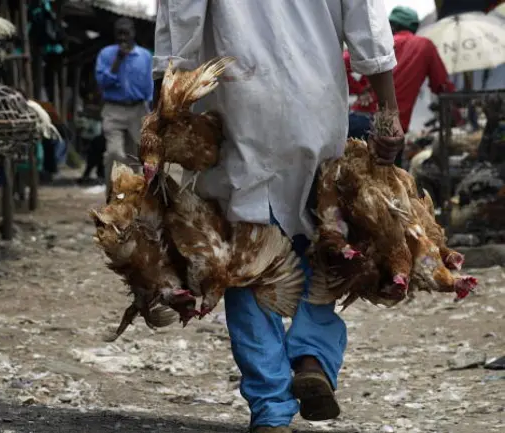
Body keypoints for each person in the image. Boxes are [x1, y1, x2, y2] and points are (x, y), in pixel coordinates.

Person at [153, 2, 404, 432]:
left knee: (247, 255)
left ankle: (271, 405)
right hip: (317, 104)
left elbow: (181, 22)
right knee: (325, 234)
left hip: (238, 104)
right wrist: (388, 110)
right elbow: (367, 23)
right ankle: (311, 352)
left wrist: (165, 103)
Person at [346, 6, 456, 166]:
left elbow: (342, 62)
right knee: (386, 188)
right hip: (389, 132)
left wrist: (359, 89)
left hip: (356, 120)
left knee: (344, 183)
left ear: (392, 26)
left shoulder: (379, 46)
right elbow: (443, 87)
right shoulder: (425, 46)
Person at [95, 17, 153, 198]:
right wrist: (117, 62)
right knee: (114, 152)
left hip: (138, 110)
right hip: (114, 110)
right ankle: (111, 197)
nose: (122, 38)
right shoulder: (106, 54)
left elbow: (150, 85)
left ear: (133, 34)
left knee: (135, 158)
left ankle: (130, 200)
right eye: (119, 33)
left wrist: (150, 110)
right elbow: (102, 82)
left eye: (126, 33)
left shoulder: (145, 56)